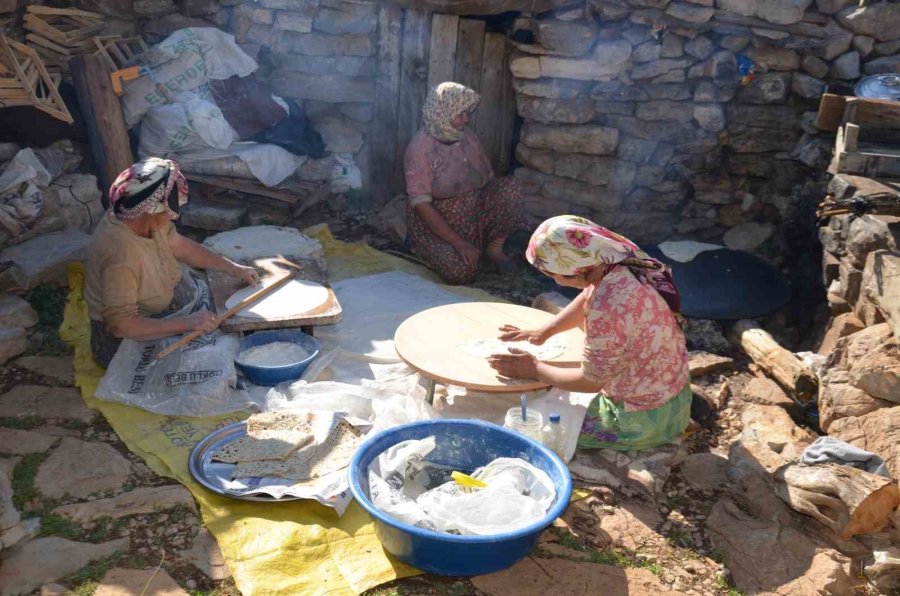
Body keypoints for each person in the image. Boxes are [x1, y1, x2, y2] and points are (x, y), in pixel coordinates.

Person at [488, 215, 691, 451]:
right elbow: (588, 294)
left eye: (554, 274)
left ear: (577, 270)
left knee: (529, 424)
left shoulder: (607, 308)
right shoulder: (621, 262)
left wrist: (533, 369)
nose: (554, 280)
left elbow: (590, 381)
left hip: (640, 418)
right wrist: (545, 331)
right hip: (671, 392)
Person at [84, 158, 259, 367]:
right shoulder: (121, 254)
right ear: (151, 209)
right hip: (122, 343)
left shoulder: (140, 216)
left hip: (154, 313)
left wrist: (232, 268)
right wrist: (187, 323)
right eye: (168, 212)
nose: (172, 218)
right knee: (208, 362)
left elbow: (181, 247)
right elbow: (121, 325)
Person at [404, 81, 525, 285]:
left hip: (472, 212)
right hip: (439, 221)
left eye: (467, 113)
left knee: (511, 188)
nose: (466, 119)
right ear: (441, 113)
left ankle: (493, 249)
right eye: (460, 114)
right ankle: (420, 246)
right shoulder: (421, 149)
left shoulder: (467, 136)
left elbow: (488, 180)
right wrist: (460, 244)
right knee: (462, 273)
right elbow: (421, 205)